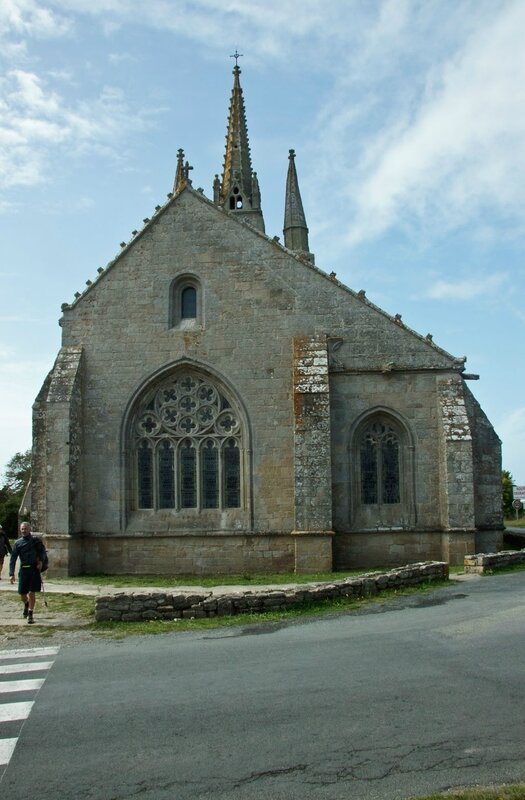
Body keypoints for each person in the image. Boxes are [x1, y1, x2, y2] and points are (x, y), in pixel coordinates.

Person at [9, 522, 47, 625]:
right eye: (22, 529)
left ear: (29, 529)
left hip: (34, 570)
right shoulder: (18, 543)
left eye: (25, 528)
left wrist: (41, 562)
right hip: (23, 571)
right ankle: (26, 604)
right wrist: (11, 573)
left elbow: (43, 552)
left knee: (31, 592)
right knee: (22, 594)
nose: (24, 530)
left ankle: (30, 614)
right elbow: (13, 559)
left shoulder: (36, 541)